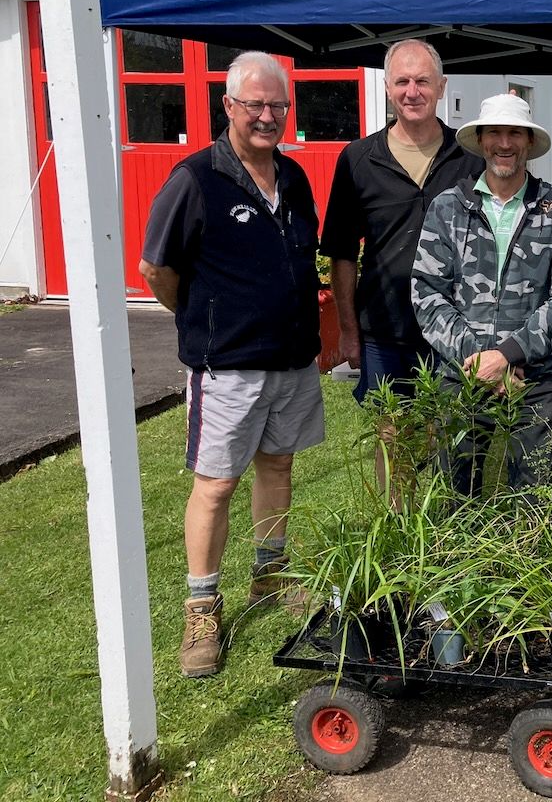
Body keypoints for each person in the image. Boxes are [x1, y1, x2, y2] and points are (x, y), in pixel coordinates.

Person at [138, 51, 325, 678]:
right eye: (256, 105)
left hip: (293, 361)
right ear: (229, 107)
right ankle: (201, 605)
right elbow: (156, 269)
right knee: (215, 485)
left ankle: (270, 576)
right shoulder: (195, 179)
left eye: (279, 106)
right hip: (227, 369)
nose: (268, 116)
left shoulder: (294, 178)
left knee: (277, 466)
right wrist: (205, 320)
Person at [411, 94, 552, 493]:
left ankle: (530, 555)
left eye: (514, 134)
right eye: (495, 133)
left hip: (535, 378)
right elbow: (427, 293)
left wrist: (507, 356)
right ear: (481, 140)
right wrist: (480, 362)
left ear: (528, 142)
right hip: (463, 375)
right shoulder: (449, 208)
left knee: (537, 496)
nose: (504, 143)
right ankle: (454, 557)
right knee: (455, 494)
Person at [320, 40, 485, 403]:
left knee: (448, 438)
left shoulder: (470, 160)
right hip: (384, 332)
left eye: (423, 82)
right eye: (402, 82)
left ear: (441, 88)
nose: (412, 92)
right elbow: (342, 254)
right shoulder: (358, 160)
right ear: (388, 88)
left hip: (456, 330)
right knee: (392, 440)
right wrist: (348, 330)